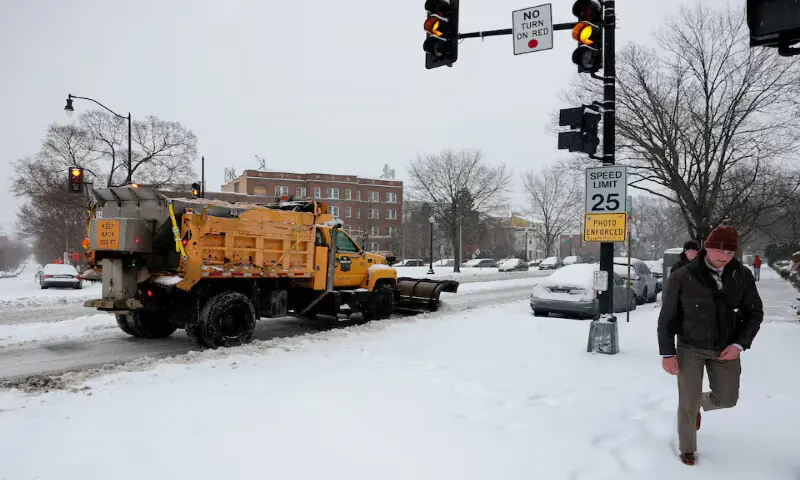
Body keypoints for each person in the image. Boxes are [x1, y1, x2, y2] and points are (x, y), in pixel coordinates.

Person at [657, 225, 763, 466]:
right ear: (707, 248)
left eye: (729, 253)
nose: (724, 258)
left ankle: (698, 405)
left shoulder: (741, 275)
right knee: (686, 401)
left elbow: (754, 312)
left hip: (726, 347)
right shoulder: (683, 276)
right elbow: (667, 317)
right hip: (689, 347)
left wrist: (739, 344)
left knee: (727, 398)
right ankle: (687, 449)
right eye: (719, 251)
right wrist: (667, 353)